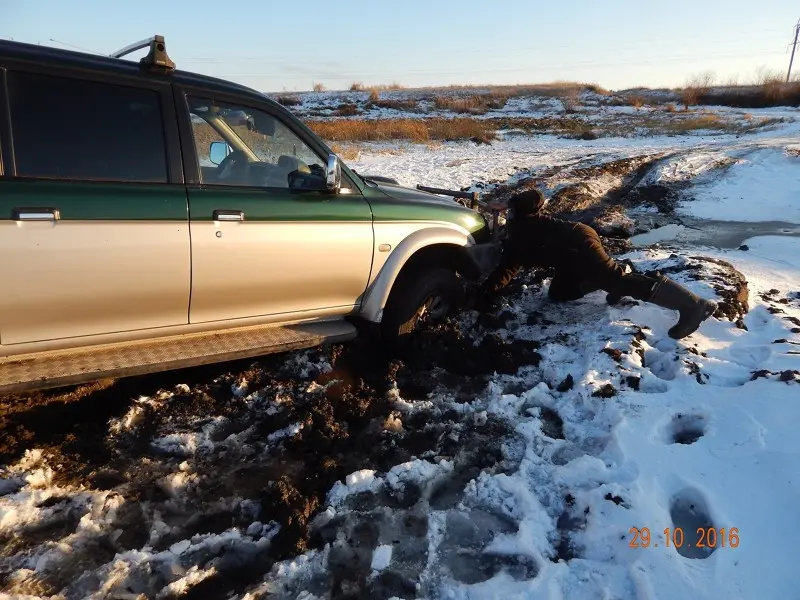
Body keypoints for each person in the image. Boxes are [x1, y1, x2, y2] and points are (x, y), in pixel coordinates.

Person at [471, 188, 717, 340]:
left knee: (615, 279)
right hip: (568, 258)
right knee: (559, 293)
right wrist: (484, 293)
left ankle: (693, 305)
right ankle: (609, 277)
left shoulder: (519, 224)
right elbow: (505, 272)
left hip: (579, 240)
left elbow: (536, 196)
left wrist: (510, 202)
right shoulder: (513, 246)